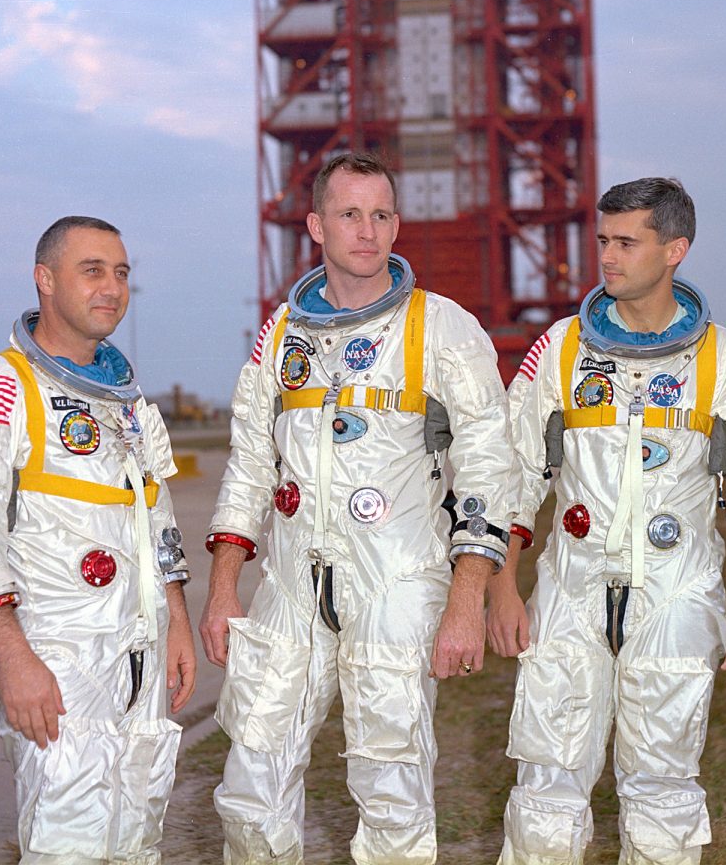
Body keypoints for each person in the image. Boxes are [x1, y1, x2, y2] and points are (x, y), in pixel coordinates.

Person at [200, 152, 515, 865]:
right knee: (252, 778)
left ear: (397, 225)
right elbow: (249, 462)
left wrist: (468, 600)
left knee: (391, 785)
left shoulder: (441, 327)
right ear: (316, 224)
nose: (367, 231)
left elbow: (489, 470)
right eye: (349, 213)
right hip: (291, 584)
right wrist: (223, 590)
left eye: (380, 215)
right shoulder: (281, 335)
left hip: (397, 581)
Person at [489, 178, 726, 865]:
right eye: (603, 240)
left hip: (675, 593)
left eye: (627, 242)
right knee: (546, 787)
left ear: (675, 249)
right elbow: (512, 473)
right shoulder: (563, 350)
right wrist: (503, 585)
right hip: (570, 591)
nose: (608, 256)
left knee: (663, 791)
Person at [0, 216, 196, 865]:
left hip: (139, 655)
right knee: (67, 846)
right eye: (93, 270)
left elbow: (156, 517)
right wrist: (15, 660)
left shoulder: (131, 404)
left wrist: (177, 621)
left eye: (123, 272)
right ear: (45, 280)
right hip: (57, 660)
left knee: (138, 841)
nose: (112, 287)